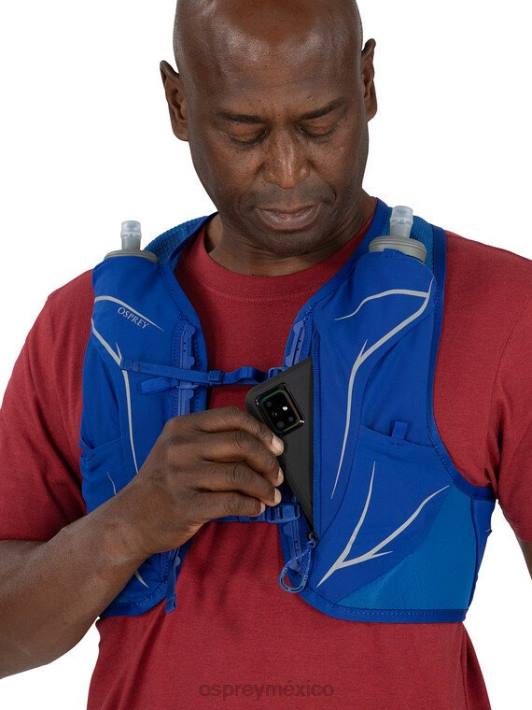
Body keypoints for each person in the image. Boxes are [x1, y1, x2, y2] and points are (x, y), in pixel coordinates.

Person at [0, 0, 531, 708]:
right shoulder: (85, 325)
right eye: (244, 132)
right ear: (179, 104)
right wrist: (129, 524)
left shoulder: (502, 310)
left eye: (320, 124)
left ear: (367, 83)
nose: (286, 171)